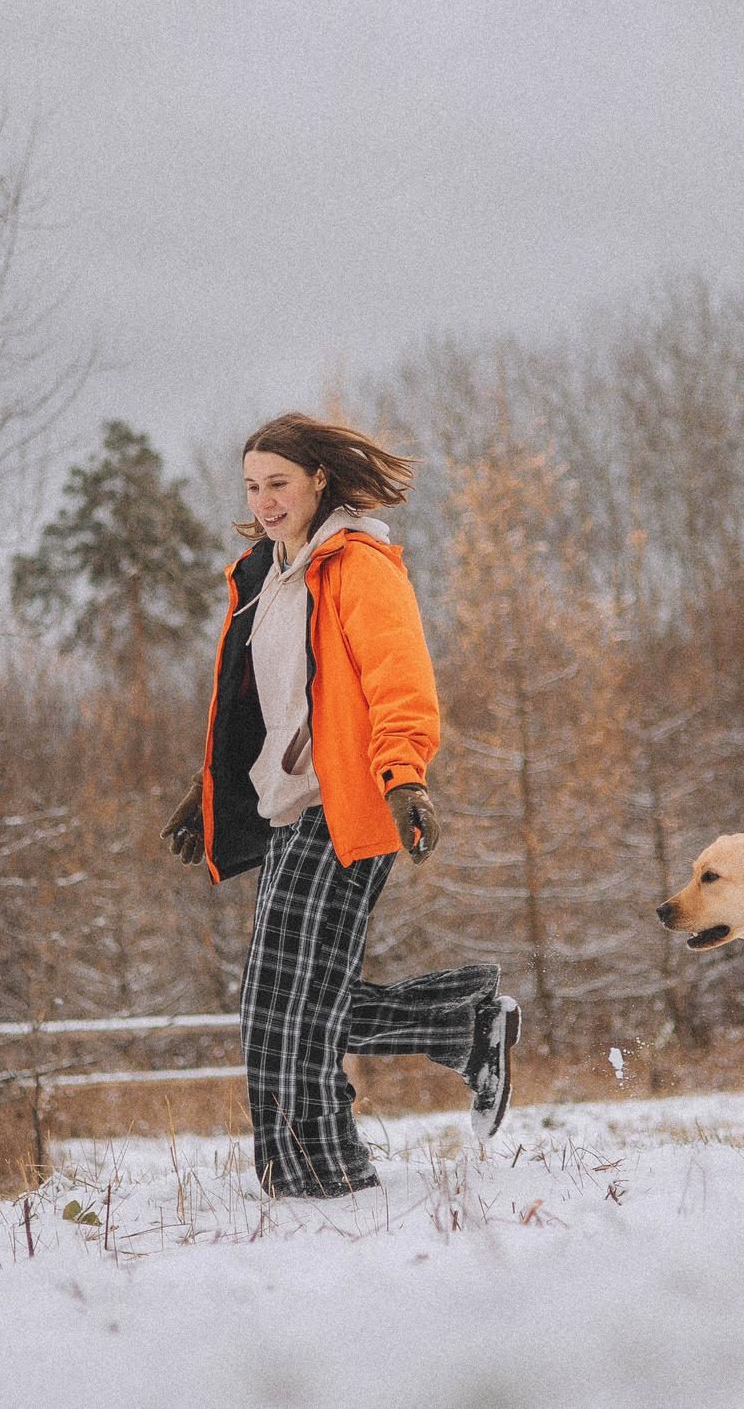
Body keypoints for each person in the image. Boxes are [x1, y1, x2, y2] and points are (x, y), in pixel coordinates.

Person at [162, 413, 519, 1198]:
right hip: (287, 805)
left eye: (279, 484)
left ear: (319, 479)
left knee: (286, 1006)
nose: (264, 500)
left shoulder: (356, 565)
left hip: (348, 802)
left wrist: (405, 778)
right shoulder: (265, 575)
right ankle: (462, 1030)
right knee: (292, 999)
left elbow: (401, 680)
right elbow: (262, 703)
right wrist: (210, 786)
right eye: (253, 487)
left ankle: (320, 1175)